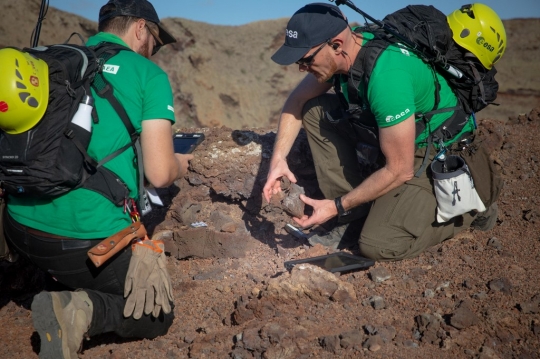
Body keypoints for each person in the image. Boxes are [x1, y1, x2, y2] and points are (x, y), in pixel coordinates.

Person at [3, 0, 191, 357]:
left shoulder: (55, 61)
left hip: (17, 226)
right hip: (80, 243)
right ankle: (77, 311)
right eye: (154, 39)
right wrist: (182, 163)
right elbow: (160, 173)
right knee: (155, 312)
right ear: (139, 29)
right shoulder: (147, 74)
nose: (153, 49)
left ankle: (40, 277)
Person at [263, 3, 504, 261]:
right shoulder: (348, 53)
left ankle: (471, 209)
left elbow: (400, 169)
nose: (302, 68)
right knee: (315, 109)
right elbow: (296, 102)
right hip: (394, 136)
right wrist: (278, 161)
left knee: (378, 245)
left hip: (432, 150)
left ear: (336, 44)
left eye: (306, 60)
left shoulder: (387, 76)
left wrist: (335, 206)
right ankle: (352, 217)